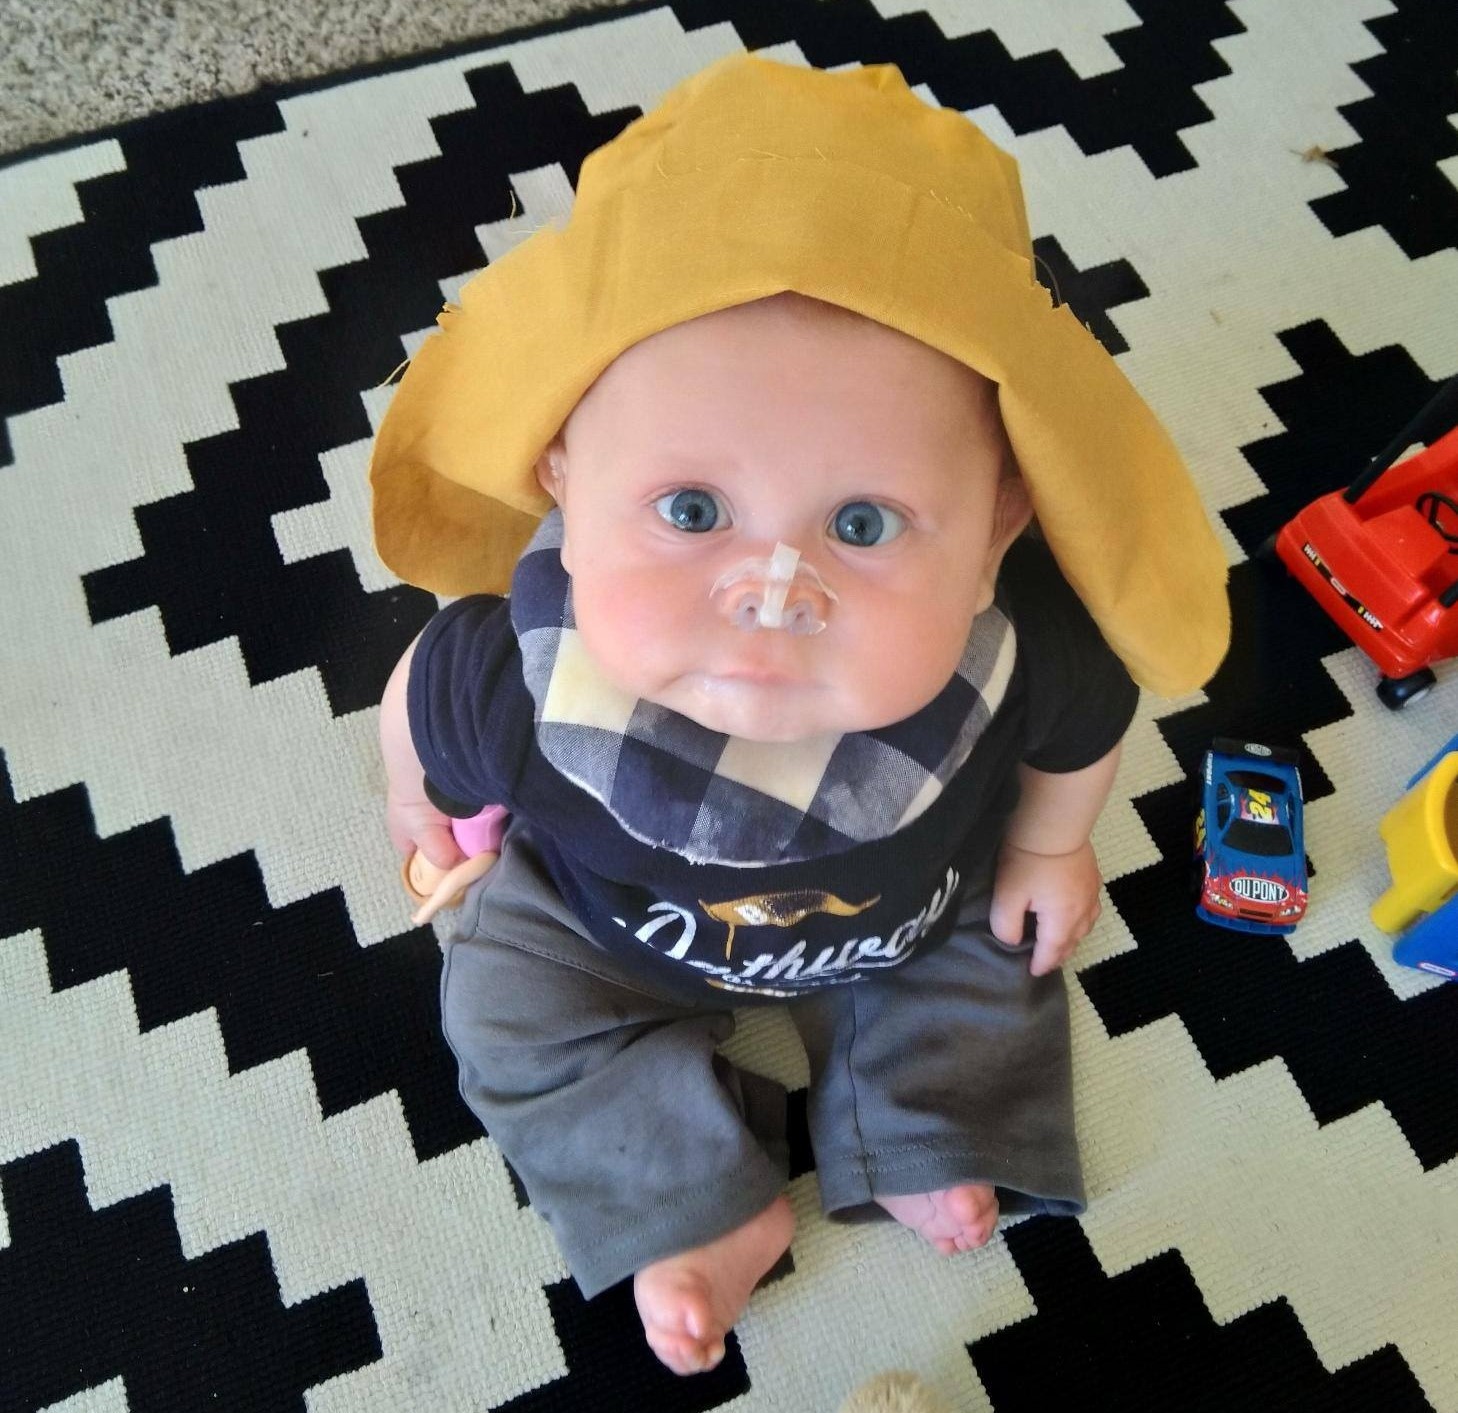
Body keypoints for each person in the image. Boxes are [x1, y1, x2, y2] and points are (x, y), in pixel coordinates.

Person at [370, 54, 1229, 1377]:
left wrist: (1051, 843)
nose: (771, 595)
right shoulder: (521, 678)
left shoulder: (1015, 651)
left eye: (864, 523)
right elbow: (422, 691)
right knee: (500, 1002)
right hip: (605, 926)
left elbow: (1084, 717)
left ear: (998, 524)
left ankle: (922, 1124)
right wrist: (413, 792)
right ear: (561, 476)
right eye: (691, 510)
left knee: (992, 957)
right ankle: (699, 1196)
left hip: (905, 907)